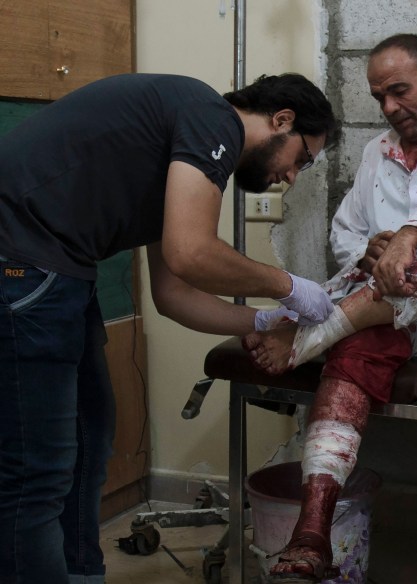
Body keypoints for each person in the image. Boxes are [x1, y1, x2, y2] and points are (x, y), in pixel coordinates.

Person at [0, 72, 337, 584]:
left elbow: (173, 295)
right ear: (282, 120)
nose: (292, 178)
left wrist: (265, 320)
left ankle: (80, 573)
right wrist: (286, 285)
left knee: (91, 435)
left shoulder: (184, 136)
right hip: (22, 262)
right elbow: (192, 252)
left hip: (56, 268)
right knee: (34, 475)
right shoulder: (210, 118)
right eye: (302, 159)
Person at [242, 34, 417, 583]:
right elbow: (347, 234)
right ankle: (312, 531)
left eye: (399, 90)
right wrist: (369, 252)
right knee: (361, 343)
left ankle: (309, 337)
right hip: (389, 313)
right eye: (379, 98)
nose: (390, 107)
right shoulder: (376, 153)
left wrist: (409, 236)